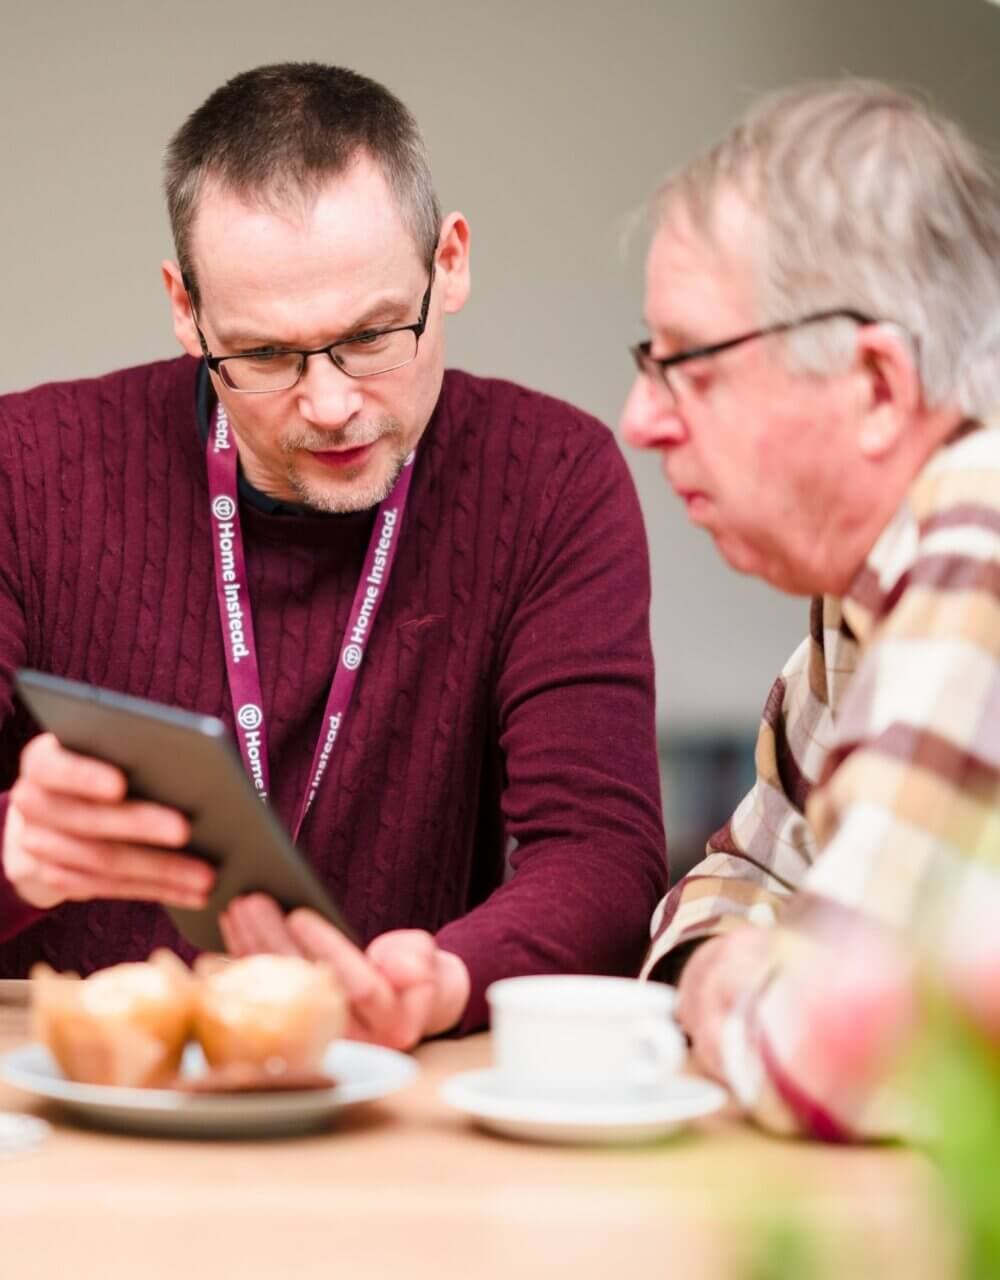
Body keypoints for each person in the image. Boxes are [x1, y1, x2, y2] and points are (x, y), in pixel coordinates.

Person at [0, 62, 667, 1048]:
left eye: (371, 337)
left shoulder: (551, 478)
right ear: (184, 309)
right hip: (81, 1093)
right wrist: (18, 854)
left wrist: (447, 976)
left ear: (451, 262)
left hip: (394, 1095)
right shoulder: (25, 464)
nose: (329, 403)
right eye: (266, 356)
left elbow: (603, 857)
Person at [620, 80, 1000, 1139]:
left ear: (877, 385)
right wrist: (733, 958)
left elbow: (822, 1053)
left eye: (686, 363)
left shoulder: (980, 532)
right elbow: (733, 876)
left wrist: (731, 973)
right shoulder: (864, 581)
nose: (639, 418)